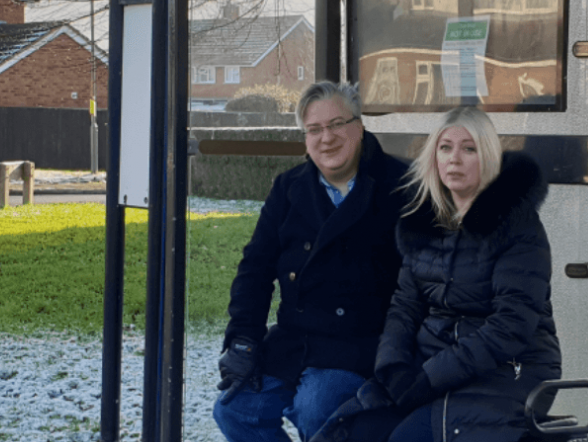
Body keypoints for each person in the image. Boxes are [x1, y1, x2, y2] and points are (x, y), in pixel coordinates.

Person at [312, 106, 561, 442]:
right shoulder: (423, 222)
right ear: (434, 156)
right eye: (445, 148)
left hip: (507, 372)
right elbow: (405, 306)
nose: (454, 159)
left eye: (468, 149)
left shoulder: (517, 225)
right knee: (354, 432)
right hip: (432, 365)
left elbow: (511, 326)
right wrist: (395, 367)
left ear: (486, 156)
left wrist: (431, 377)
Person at [213, 81, 409, 442]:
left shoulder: (399, 186)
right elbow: (255, 268)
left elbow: (418, 281)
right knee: (233, 410)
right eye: (315, 129)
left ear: (359, 127)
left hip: (361, 343)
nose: (327, 138)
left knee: (315, 405)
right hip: (294, 340)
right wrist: (243, 337)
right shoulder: (289, 188)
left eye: (337, 124)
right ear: (305, 138)